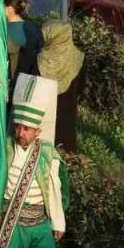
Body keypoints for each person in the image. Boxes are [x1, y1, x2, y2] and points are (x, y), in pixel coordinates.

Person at [0, 74, 66, 248]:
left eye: (27, 129)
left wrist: (58, 222)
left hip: (39, 225)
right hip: (12, 224)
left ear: (38, 131)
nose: (21, 133)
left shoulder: (47, 155)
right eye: (18, 127)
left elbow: (54, 188)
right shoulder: (5, 149)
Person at [36, 21, 84, 154]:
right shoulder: (79, 58)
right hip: (67, 111)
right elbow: (81, 87)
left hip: (43, 111)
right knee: (65, 145)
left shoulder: (41, 59)